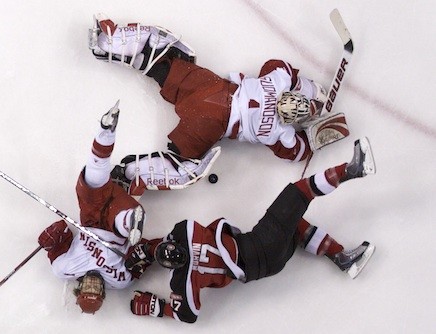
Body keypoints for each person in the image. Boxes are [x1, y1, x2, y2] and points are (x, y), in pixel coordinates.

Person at [124, 137, 376, 323]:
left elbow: (186, 315)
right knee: (297, 193)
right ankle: (352, 169)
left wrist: (157, 307)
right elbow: (186, 312)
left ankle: (342, 258)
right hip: (259, 245)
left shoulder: (182, 280)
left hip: (266, 266)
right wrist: (146, 252)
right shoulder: (184, 232)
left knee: (296, 226)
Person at [89, 13, 333, 175]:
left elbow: (278, 66)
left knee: (168, 64)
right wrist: (315, 138)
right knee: (181, 160)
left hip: (212, 89)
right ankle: (132, 173)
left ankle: (111, 43)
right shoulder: (281, 132)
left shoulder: (277, 83)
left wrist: (307, 87)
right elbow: (296, 153)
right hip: (211, 123)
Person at [37, 101, 219, 314]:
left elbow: (62, 233)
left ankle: (105, 131)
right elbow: (141, 257)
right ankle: (132, 219)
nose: (93, 285)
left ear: (79, 289)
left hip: (90, 219)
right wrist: (156, 251)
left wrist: (50, 238)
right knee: (125, 225)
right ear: (103, 293)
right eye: (96, 290)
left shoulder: (63, 269)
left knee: (90, 185)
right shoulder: (120, 280)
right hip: (117, 229)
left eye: (88, 288)